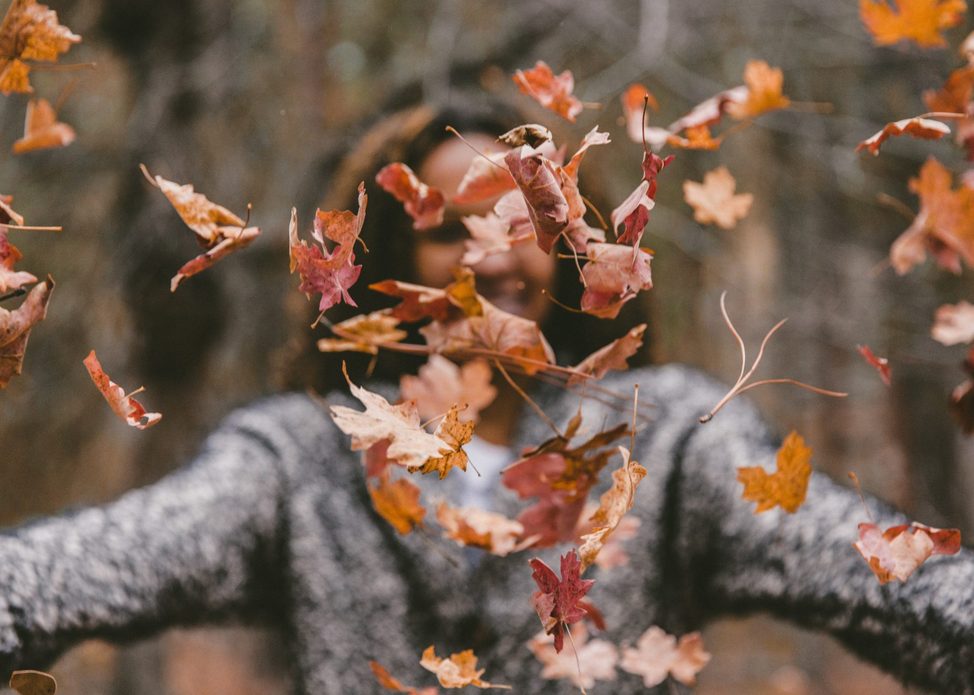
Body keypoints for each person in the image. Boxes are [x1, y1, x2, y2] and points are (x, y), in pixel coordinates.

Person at [0, 95, 972, 695]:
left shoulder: (666, 437)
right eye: (444, 230)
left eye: (517, 219)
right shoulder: (300, 458)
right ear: (387, 263)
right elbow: (95, 561)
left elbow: (886, 582)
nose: (485, 257)